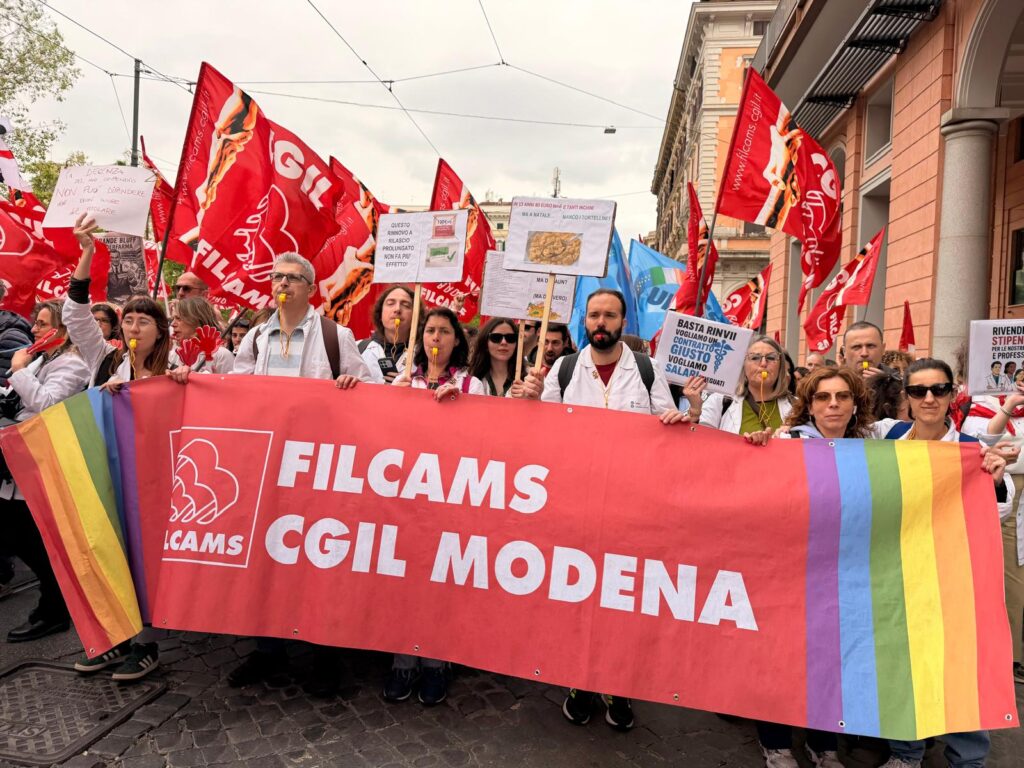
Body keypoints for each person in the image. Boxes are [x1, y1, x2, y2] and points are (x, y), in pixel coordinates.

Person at [200, 252, 373, 695]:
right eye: (277, 276)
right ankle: (268, 649)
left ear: (310, 289)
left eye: (293, 278)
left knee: (318, 557)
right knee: (266, 557)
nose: (283, 283)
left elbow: (369, 395)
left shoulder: (336, 336)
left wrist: (352, 387)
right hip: (267, 466)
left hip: (317, 467)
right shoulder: (257, 338)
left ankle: (324, 653)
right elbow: (236, 393)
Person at [519, 289, 688, 731]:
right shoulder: (565, 369)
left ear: (622, 322)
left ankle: (618, 682)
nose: (600, 322)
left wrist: (675, 420)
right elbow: (542, 431)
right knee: (578, 595)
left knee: (621, 598)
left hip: (632, 508)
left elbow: (668, 430)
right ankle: (580, 679)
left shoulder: (647, 370)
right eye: (594, 314)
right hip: (576, 503)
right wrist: (532, 401)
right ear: (585, 320)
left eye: (609, 315)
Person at [871, 358, 1011, 768]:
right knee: (902, 662)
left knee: (961, 664)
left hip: (953, 575)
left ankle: (967, 758)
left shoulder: (973, 450)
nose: (929, 398)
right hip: (896, 571)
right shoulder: (884, 435)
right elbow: (825, 440)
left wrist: (993, 482)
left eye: (939, 389)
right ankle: (905, 752)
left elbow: (999, 513)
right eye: (918, 391)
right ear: (906, 396)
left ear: (953, 395)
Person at [65, 214, 177, 680]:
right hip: (107, 472)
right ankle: (114, 636)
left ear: (159, 330)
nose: (133, 325)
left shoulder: (176, 368)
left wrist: (178, 385)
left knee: (145, 557)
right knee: (107, 550)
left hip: (154, 483)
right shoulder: (106, 359)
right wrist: (87, 254)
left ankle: (146, 643)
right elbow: (75, 316)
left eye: (143, 320)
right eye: (127, 318)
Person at [385, 307, 484, 705]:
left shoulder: (472, 384)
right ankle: (402, 661)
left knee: (440, 583)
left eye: (444, 331)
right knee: (403, 581)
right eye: (429, 330)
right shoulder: (402, 379)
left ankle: (435, 662)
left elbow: (488, 438)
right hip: (406, 495)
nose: (436, 337)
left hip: (451, 495)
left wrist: (464, 407)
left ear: (456, 339)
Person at [4, 300, 91, 643]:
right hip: (18, 460)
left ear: (63, 330)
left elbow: (47, 404)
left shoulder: (72, 363)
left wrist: (18, 370)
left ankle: (55, 609)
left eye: (42, 323)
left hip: (42, 462)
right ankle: (53, 604)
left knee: (36, 543)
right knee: (20, 536)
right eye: (35, 322)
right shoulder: (45, 358)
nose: (34, 329)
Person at [963, 382, 1024, 686]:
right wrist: (1010, 405)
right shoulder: (979, 400)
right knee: (1008, 577)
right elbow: (983, 440)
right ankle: (1009, 657)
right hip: (1004, 489)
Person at [685, 335, 794, 435]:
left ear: (780, 366)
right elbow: (699, 441)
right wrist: (695, 413)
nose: (763, 363)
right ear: (743, 365)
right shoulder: (720, 401)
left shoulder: (796, 406)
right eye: (755, 358)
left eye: (771, 358)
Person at [358, 285, 413, 384]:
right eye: (390, 303)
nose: (397, 309)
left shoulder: (424, 355)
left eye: (406, 305)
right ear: (380, 313)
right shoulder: (357, 348)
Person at [170, 297, 235, 374]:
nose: (172, 324)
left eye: (178, 318)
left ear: (197, 322)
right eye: (173, 319)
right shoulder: (177, 354)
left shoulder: (221, 356)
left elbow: (231, 381)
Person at [468, 317, 521, 396]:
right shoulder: (467, 379)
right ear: (485, 343)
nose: (504, 342)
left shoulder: (528, 379)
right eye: (496, 337)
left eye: (510, 338)